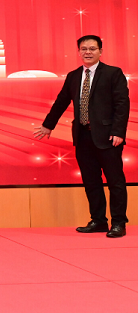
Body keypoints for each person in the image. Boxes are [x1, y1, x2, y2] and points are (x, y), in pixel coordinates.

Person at [34, 35, 129, 238]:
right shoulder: (73, 76)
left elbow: (122, 104)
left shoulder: (113, 73)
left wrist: (118, 132)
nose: (88, 52)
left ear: (100, 51)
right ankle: (98, 220)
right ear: (78, 52)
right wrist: (48, 125)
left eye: (92, 48)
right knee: (91, 181)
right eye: (84, 49)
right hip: (83, 136)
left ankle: (119, 223)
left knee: (115, 182)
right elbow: (61, 101)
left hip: (108, 137)